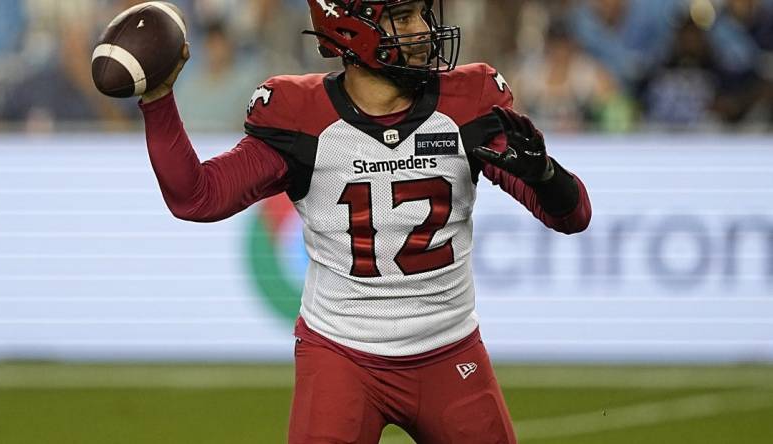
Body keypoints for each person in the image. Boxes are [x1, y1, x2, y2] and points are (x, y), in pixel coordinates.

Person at [138, 1, 591, 442]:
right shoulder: (302, 117)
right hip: (341, 356)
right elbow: (196, 197)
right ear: (352, 29)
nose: (422, 27)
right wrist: (158, 100)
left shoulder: (467, 102)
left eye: (420, 12)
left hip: (449, 350)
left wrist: (548, 176)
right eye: (401, 16)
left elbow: (573, 216)